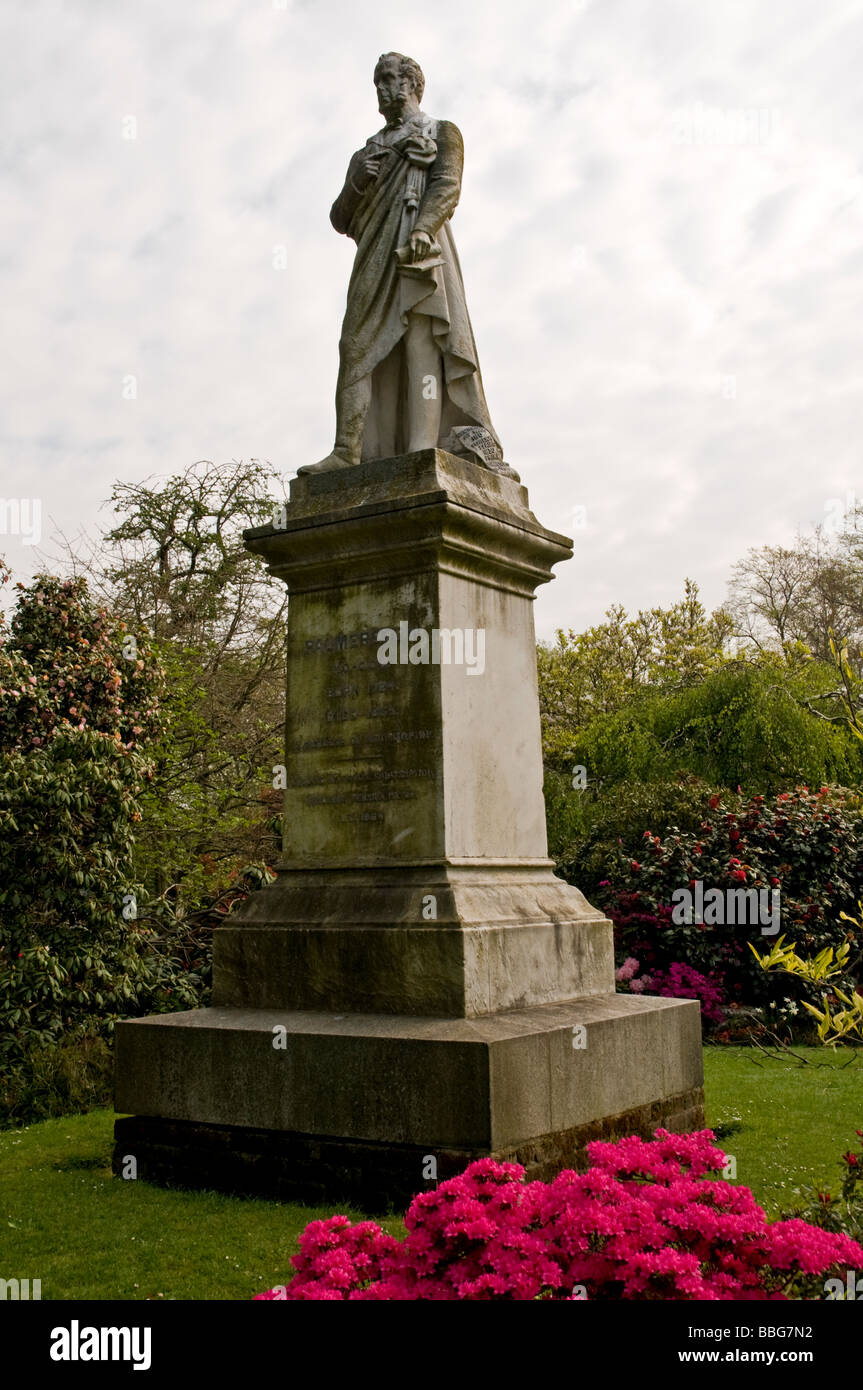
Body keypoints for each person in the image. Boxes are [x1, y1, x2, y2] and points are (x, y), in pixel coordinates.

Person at [300, 51, 515, 478]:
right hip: (374, 258)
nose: (381, 89)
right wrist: (358, 179)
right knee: (355, 348)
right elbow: (340, 218)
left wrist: (423, 227)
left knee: (421, 340)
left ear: (413, 83)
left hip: (421, 250)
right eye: (376, 82)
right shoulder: (366, 153)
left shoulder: (442, 132)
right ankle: (347, 450)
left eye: (388, 79)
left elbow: (447, 185)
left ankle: (422, 445)